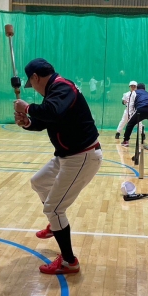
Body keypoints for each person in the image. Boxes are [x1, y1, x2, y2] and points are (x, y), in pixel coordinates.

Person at [13, 59, 102, 275]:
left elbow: (50, 112)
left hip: (81, 157)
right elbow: (45, 121)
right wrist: (27, 122)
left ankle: (69, 262)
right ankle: (56, 224)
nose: (33, 88)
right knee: (39, 182)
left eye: (32, 83)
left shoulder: (63, 88)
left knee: (53, 208)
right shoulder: (55, 92)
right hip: (67, 156)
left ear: (36, 77)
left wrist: (27, 107)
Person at [122, 83, 148, 148]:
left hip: (141, 109)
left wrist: (130, 116)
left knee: (130, 124)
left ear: (137, 88)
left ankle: (126, 141)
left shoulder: (134, 92)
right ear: (144, 89)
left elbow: (131, 104)